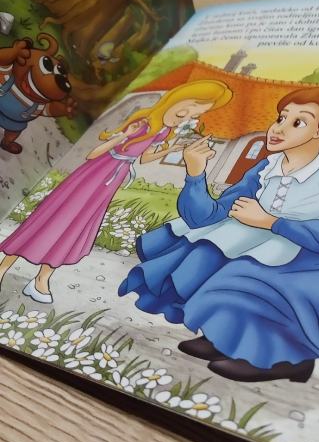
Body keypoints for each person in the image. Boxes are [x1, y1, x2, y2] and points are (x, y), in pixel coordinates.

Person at [119, 80, 319, 383]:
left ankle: (287, 358)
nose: (278, 128)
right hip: (288, 251)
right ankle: (227, 337)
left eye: (298, 122)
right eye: (282, 117)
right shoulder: (268, 167)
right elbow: (207, 217)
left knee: (245, 276)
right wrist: (195, 173)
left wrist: (272, 222)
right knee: (207, 250)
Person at [0, 80, 232, 303]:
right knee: (54, 219)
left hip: (109, 184)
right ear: (177, 98)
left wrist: (170, 149)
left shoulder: (163, 131)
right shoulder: (142, 122)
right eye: (189, 108)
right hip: (92, 175)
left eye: (196, 114)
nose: (188, 116)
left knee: (76, 225)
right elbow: (93, 154)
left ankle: (42, 278)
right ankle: (3, 267)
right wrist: (122, 136)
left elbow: (143, 158)